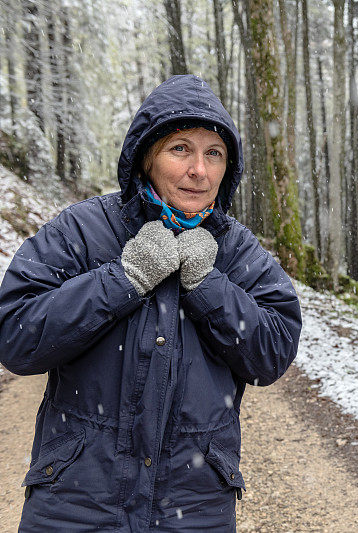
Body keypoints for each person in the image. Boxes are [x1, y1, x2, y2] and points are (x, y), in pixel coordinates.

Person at [0, 74, 303, 531]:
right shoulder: (83, 231)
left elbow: (274, 352)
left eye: (213, 154)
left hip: (194, 510)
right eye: (180, 148)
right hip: (76, 504)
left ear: (228, 169)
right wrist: (123, 278)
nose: (198, 170)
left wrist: (209, 287)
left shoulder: (237, 251)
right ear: (146, 158)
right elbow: (15, 335)